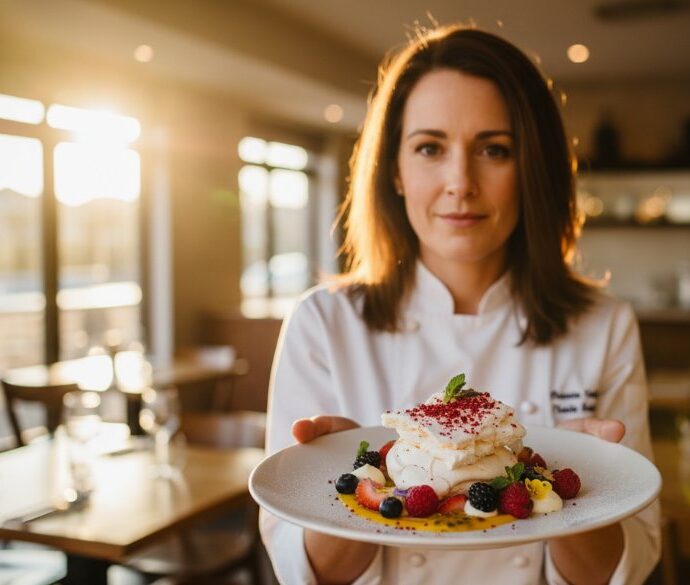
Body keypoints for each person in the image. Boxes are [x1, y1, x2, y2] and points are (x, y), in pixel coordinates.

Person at [261, 24, 660, 585]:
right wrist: (350, 485)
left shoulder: (604, 325)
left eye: (494, 149)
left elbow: (630, 562)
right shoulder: (322, 323)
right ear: (394, 171)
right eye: (429, 147)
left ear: (532, 171)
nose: (460, 182)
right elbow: (303, 571)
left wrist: (589, 489)